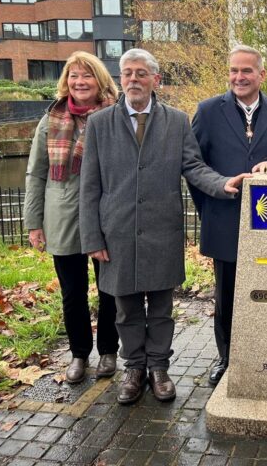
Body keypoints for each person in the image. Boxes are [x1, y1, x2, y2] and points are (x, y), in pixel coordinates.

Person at [79, 48, 248, 405]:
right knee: (125, 309)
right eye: (127, 73)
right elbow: (89, 185)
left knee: (160, 307)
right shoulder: (99, 124)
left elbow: (195, 167)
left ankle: (158, 367)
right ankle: (134, 368)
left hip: (161, 230)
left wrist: (224, 184)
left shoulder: (176, 121)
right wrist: (92, 236)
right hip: (118, 232)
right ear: (120, 79)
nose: (133, 80)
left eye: (141, 73)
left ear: (156, 79)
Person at [190, 45, 267, 387]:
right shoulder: (207, 111)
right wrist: (212, 205)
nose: (239, 77)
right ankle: (228, 358)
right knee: (227, 296)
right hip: (224, 219)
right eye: (234, 70)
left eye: (247, 71)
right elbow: (194, 166)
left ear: (261, 75)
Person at [23, 51, 120, 385]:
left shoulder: (115, 116)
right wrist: (34, 222)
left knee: (110, 289)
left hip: (105, 216)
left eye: (87, 75)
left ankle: (109, 350)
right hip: (62, 215)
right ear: (66, 81)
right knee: (72, 293)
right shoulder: (50, 119)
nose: (80, 82)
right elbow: (36, 173)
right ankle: (79, 354)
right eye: (74, 76)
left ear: (100, 81)